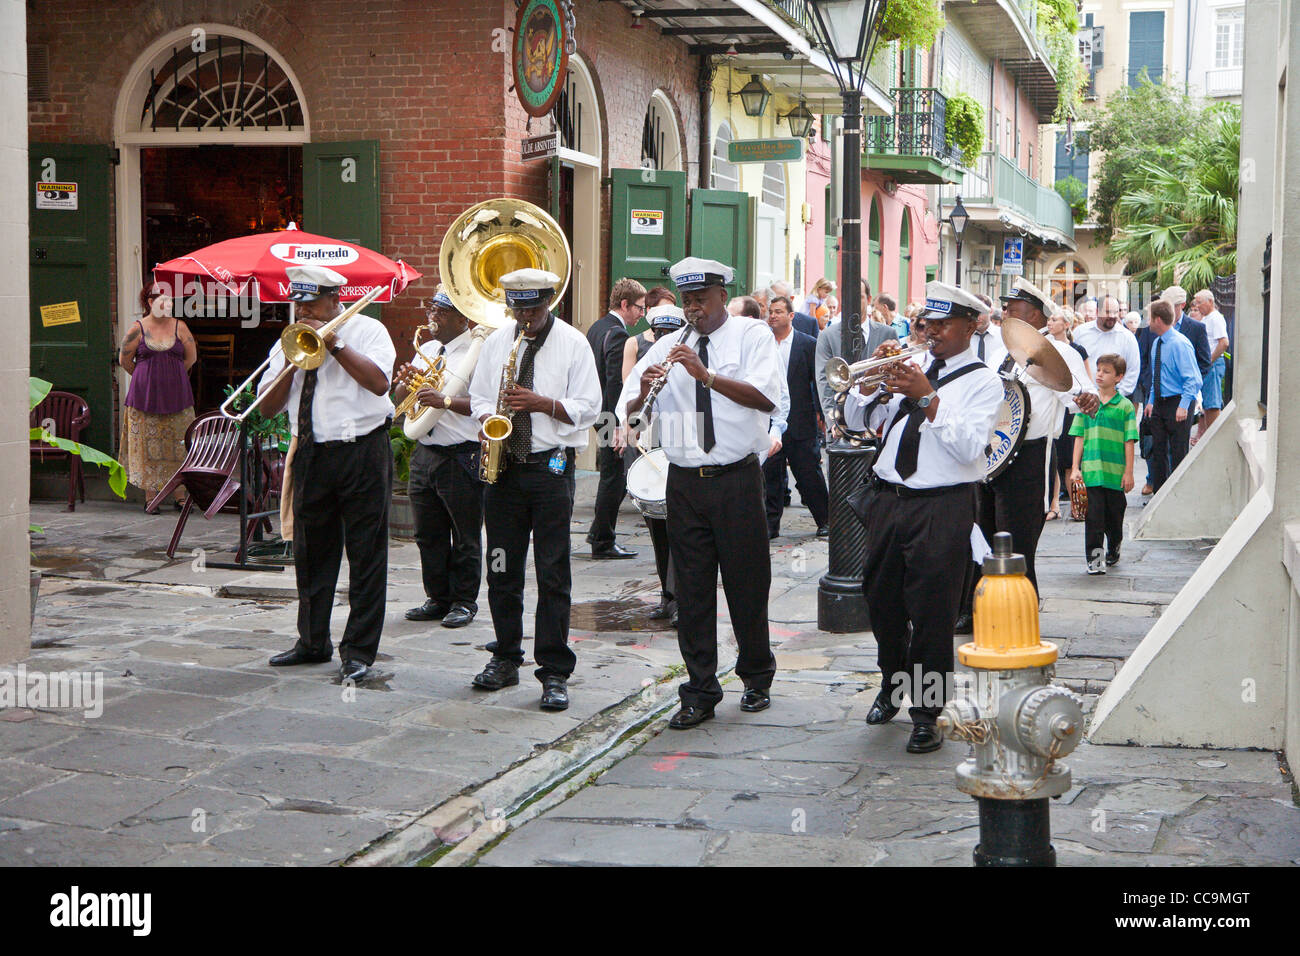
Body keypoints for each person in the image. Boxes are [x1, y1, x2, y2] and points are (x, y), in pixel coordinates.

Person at [618, 257, 782, 730]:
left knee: (746, 583)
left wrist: (706, 376)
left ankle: (755, 677)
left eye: (701, 301)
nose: (693, 310)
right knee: (690, 590)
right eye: (686, 301)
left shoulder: (751, 336)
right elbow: (631, 417)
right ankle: (700, 690)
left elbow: (766, 397)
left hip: (736, 476)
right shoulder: (666, 346)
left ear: (721, 298)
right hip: (685, 479)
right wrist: (641, 393)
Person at [842, 282, 1003, 754]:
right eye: (926, 323)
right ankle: (893, 682)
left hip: (943, 504)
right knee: (881, 602)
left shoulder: (985, 382)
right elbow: (858, 423)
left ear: (971, 326)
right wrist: (869, 386)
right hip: (889, 501)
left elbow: (971, 447)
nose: (930, 332)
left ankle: (927, 712)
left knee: (932, 616)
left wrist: (928, 396)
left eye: (942, 324)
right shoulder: (911, 369)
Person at [467, 269, 601, 710]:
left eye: (533, 308)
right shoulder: (496, 342)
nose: (525, 317)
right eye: (518, 308)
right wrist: (491, 419)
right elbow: (482, 397)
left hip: (550, 470)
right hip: (503, 470)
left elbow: (590, 408)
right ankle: (505, 656)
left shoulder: (573, 343)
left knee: (552, 571)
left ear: (550, 303)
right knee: (501, 568)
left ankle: (554, 671)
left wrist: (544, 403)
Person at [260, 265, 397, 684]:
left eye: (311, 303)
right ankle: (312, 641)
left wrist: (332, 342)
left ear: (335, 300)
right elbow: (267, 408)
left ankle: (358, 652)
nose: (302, 311)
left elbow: (378, 383)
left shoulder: (370, 332)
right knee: (311, 553)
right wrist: (290, 361)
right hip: (313, 454)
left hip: (362, 451)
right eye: (297, 303)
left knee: (366, 553)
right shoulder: (288, 343)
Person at [979, 277, 1099, 595]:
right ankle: (978, 610)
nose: (1004, 311)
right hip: (989, 458)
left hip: (1028, 459)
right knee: (984, 540)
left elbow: (1085, 394)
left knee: (1017, 548)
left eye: (1012, 307)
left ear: (1033, 315)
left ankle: (1021, 615)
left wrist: (1089, 399)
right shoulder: (998, 353)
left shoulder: (1058, 352)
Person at [395, 289, 484, 630]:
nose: (433, 314)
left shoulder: (478, 354)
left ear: (463, 318)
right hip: (425, 453)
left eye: (441, 310)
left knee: (465, 534)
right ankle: (437, 597)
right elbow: (401, 400)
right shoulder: (429, 350)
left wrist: (444, 400)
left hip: (461, 455)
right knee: (427, 533)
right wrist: (405, 383)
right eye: (432, 307)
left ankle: (464, 601)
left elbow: (484, 403)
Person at [624, 304, 688, 625]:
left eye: (669, 332)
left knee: (679, 528)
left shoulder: (689, 356)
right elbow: (628, 407)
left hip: (681, 451)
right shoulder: (648, 360)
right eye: (659, 332)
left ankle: (679, 599)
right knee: (657, 527)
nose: (663, 338)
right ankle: (667, 594)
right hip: (651, 451)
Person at [119, 282, 197, 509]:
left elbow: (190, 358)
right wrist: (147, 377)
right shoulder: (137, 329)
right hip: (144, 398)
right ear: (150, 302)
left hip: (178, 398)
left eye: (171, 299)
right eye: (163, 299)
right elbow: (125, 361)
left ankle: (180, 496)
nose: (168, 303)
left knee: (178, 444)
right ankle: (151, 497)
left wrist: (171, 377)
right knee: (146, 447)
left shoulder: (180, 327)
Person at [584, 277, 646, 559]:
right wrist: (621, 425)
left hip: (600, 413)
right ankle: (603, 540)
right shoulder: (618, 335)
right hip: (610, 415)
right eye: (640, 308)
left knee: (610, 476)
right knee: (615, 479)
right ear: (625, 304)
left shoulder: (597, 327)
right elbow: (614, 383)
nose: (642, 314)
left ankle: (598, 532)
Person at [762, 295, 829, 538]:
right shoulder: (764, 343)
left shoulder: (807, 343)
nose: (773, 315)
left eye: (778, 311)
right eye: (770, 311)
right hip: (770, 420)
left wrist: (822, 414)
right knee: (771, 475)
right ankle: (771, 525)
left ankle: (824, 519)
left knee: (808, 473)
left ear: (791, 316)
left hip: (801, 419)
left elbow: (818, 381)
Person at [1070, 353, 1138, 574]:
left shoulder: (1125, 406)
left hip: (1115, 473)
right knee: (1094, 519)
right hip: (1092, 472)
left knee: (1114, 518)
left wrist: (1128, 472)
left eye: (1106, 371)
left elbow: (1129, 441)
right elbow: (1079, 436)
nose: (1100, 374)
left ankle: (1115, 545)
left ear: (1119, 377)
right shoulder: (1087, 402)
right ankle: (1095, 561)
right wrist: (1075, 468)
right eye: (1098, 369)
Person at [814, 297, 900, 435]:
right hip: (840, 422)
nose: (853, 299)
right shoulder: (827, 335)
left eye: (859, 295)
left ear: (869, 299)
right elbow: (824, 382)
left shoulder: (887, 333)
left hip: (877, 421)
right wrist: (833, 423)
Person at [1144, 298, 1202, 493]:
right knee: (1157, 451)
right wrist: (1152, 401)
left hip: (1178, 401)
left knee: (1178, 452)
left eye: (1150, 318)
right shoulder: (1157, 344)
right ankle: (1160, 494)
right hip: (1160, 402)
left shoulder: (1179, 344)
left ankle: (1180, 493)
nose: (1148, 322)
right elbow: (1156, 376)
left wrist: (1184, 405)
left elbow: (1193, 379)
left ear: (1158, 320)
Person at [1045, 308, 1089, 520]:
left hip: (1071, 408)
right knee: (1055, 455)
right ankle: (1054, 503)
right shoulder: (1045, 347)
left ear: (1067, 324)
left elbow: (1085, 380)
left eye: (1055, 319)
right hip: (1053, 407)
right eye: (1050, 319)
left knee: (1071, 459)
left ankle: (1076, 505)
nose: (1050, 322)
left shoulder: (1077, 350)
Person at [1072, 295, 1141, 401]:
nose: (1112, 316)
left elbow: (1133, 370)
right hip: (1083, 399)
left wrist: (1116, 396)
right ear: (1097, 311)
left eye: (1115, 312)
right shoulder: (1080, 333)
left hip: (1114, 402)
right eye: (1108, 312)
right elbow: (1072, 364)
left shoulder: (1127, 338)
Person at [1192, 289, 1230, 443]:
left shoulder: (1215, 318)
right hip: (1209, 365)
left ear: (1210, 302)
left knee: (1212, 404)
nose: (1197, 305)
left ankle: (1215, 440)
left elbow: (1224, 343)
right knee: (1207, 404)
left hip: (1213, 365)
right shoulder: (1207, 318)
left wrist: (1209, 361)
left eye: (1200, 302)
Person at [621, 286, 676, 382]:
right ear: (649, 310)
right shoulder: (633, 343)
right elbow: (628, 384)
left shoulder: (679, 340)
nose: (667, 314)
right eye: (662, 309)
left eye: (671, 310)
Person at [971, 293, 1003, 368]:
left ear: (990, 311)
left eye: (981, 313)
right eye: (973, 313)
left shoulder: (1003, 336)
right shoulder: (962, 337)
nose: (977, 318)